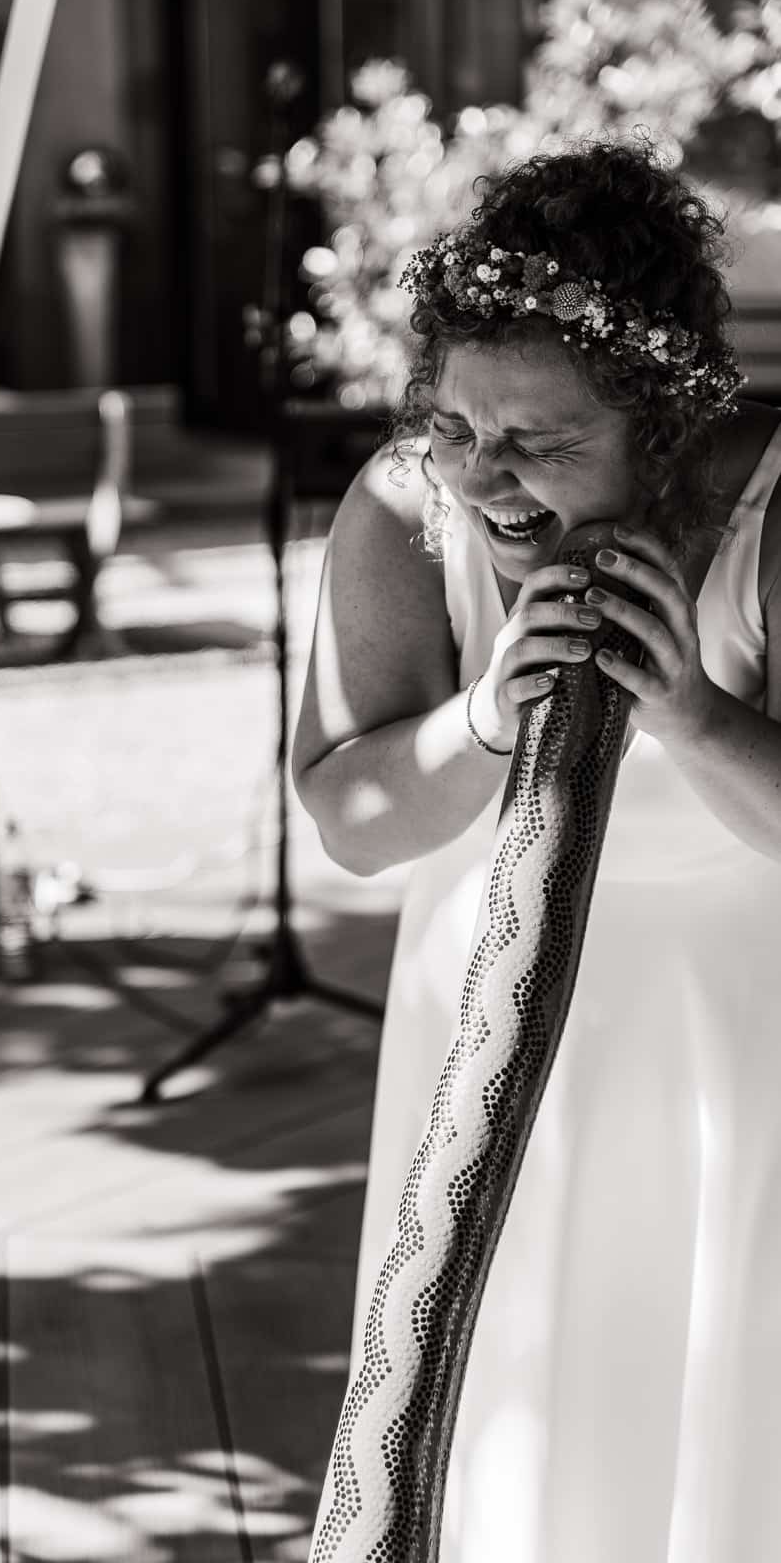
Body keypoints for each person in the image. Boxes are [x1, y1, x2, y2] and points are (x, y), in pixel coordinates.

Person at [292, 138, 781, 1563]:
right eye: (456, 423)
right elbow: (348, 818)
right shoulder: (406, 509)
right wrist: (483, 720)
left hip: (737, 1053)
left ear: (666, 419)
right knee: (492, 1414)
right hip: (480, 1046)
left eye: (543, 442)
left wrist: (691, 715)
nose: (486, 476)